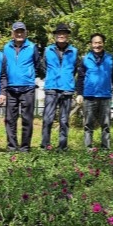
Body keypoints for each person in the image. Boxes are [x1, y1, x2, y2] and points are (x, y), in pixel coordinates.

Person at [2, 21, 43, 152]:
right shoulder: (6, 47)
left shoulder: (32, 47)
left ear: (26, 33)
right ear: (12, 33)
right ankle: (12, 146)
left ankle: (25, 147)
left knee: (27, 119)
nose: (19, 34)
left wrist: (29, 75)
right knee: (10, 119)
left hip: (28, 88)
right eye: (17, 31)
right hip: (11, 88)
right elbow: (3, 67)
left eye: (21, 31)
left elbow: (38, 65)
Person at [76, 33, 113, 150]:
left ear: (103, 44)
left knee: (106, 125)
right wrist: (79, 93)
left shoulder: (110, 58)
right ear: (91, 44)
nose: (97, 45)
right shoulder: (85, 59)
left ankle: (105, 149)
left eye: (100, 42)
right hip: (89, 96)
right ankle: (88, 149)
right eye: (95, 43)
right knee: (88, 125)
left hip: (105, 96)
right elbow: (80, 77)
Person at [40, 23, 79, 151]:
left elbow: (75, 69)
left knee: (64, 120)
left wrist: (66, 77)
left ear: (67, 36)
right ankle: (45, 145)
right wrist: (52, 76)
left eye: (64, 33)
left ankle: (62, 146)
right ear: (55, 36)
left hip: (67, 88)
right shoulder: (48, 50)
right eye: (59, 33)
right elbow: (43, 67)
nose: (61, 35)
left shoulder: (74, 51)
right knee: (48, 118)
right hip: (51, 87)